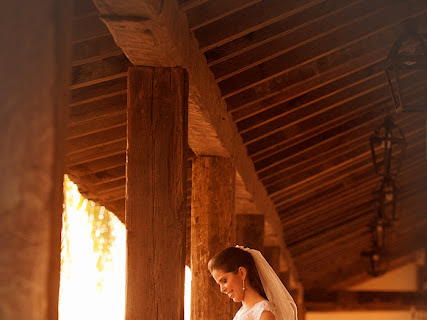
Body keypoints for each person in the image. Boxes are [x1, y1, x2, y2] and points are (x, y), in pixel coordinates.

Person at [208, 246, 297, 320]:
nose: (222, 289)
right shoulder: (242, 312)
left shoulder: (264, 313)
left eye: (224, 281)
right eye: (219, 284)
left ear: (242, 273)